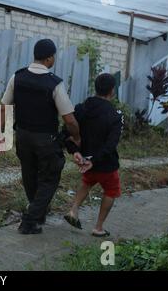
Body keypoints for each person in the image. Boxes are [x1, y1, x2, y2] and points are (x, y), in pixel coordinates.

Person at [0, 39, 81, 235]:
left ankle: (37, 214)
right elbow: (69, 119)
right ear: (50, 58)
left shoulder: (17, 77)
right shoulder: (54, 84)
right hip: (46, 139)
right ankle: (29, 220)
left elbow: (3, 108)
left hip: (23, 136)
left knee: (29, 176)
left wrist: (0, 135)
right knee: (50, 178)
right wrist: (77, 136)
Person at [63, 73, 124, 237]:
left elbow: (66, 133)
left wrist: (75, 151)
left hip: (85, 159)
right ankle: (98, 227)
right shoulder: (115, 116)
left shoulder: (81, 108)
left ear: (95, 88)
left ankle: (73, 210)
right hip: (105, 164)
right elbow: (111, 145)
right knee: (111, 190)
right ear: (112, 91)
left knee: (87, 182)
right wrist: (95, 160)